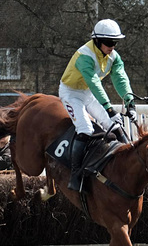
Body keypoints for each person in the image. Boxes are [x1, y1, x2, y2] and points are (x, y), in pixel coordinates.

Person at [59, 18, 137, 191]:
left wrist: (130, 103)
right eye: (109, 42)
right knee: (85, 129)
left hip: (87, 93)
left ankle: (132, 163)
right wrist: (109, 109)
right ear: (97, 41)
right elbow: (94, 82)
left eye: (115, 42)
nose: (112, 46)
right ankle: (76, 175)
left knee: (116, 126)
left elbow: (120, 79)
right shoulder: (84, 55)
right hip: (71, 94)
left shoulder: (113, 56)